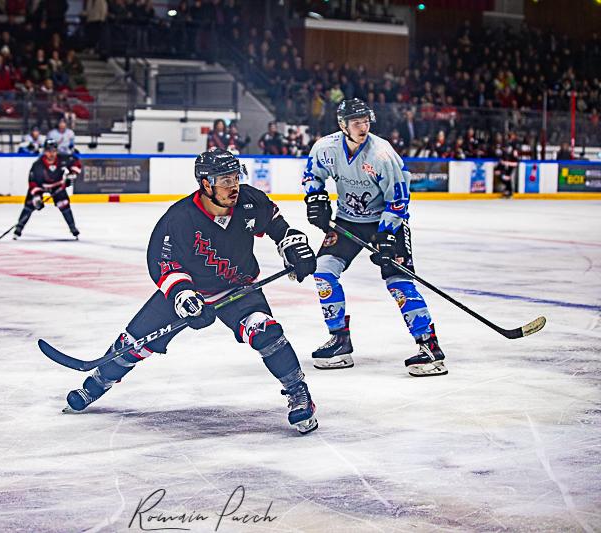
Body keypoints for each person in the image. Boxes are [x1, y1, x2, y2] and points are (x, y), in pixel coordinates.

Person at [63, 148, 320, 434]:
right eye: (224, 179)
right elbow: (162, 262)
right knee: (132, 344)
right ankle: (96, 384)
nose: (233, 185)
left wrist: (292, 244)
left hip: (237, 287)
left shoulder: (248, 201)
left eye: (235, 177)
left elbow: (276, 224)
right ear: (206, 183)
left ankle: (299, 393)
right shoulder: (180, 218)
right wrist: (183, 296)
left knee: (266, 332)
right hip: (191, 290)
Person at [302, 98, 447, 377]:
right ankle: (340, 341)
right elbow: (312, 176)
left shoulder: (382, 154)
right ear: (342, 125)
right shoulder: (326, 148)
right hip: (348, 221)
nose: (363, 126)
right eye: (356, 122)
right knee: (323, 273)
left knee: (398, 282)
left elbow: (400, 199)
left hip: (384, 223)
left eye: (366, 121)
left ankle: (429, 346)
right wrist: (316, 199)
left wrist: (386, 234)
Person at [14, 139, 81, 239]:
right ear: (45, 151)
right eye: (49, 151)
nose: (52, 153)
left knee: (64, 205)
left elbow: (76, 162)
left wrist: (72, 175)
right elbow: (32, 182)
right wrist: (37, 198)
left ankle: (73, 228)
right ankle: (18, 228)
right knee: (29, 205)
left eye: (54, 150)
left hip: (57, 186)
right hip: (40, 187)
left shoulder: (63, 159)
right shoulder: (38, 165)